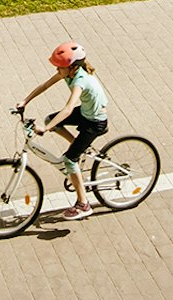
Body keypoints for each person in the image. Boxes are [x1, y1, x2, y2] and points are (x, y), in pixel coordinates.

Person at [15, 42, 109, 221]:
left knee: (69, 160)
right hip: (85, 113)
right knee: (51, 119)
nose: (57, 69)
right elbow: (45, 85)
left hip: (96, 122)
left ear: (72, 67)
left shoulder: (80, 80)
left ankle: (84, 204)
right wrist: (25, 101)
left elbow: (67, 109)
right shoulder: (66, 74)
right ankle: (78, 145)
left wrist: (46, 129)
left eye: (60, 67)